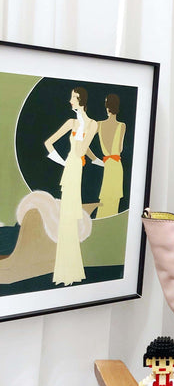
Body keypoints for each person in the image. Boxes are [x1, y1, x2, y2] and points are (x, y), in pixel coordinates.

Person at [44, 87, 97, 285]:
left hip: (77, 171)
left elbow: (82, 150)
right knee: (66, 218)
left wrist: (82, 127)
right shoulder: (71, 122)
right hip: (70, 169)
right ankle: (64, 272)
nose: (70, 100)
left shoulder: (92, 124)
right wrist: (62, 162)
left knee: (71, 218)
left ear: (81, 100)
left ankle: (72, 271)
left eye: (73, 97)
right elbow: (48, 143)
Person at [94, 94, 126, 218]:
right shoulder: (122, 126)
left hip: (108, 165)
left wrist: (95, 159)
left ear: (107, 107)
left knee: (105, 199)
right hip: (117, 166)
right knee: (113, 200)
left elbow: (84, 143)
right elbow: (120, 149)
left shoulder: (99, 125)